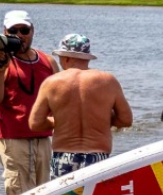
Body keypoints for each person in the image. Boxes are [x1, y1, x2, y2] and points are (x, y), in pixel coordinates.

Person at [0, 10, 59, 195]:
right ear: (5, 32)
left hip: (43, 139)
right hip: (13, 139)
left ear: (32, 31)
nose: (19, 35)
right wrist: (0, 71)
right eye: (13, 31)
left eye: (24, 30)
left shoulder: (48, 61)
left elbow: (59, 101)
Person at [29, 34, 133, 178]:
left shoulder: (51, 83)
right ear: (87, 58)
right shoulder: (108, 81)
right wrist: (102, 119)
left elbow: (35, 123)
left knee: (65, 194)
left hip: (63, 157)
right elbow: (126, 120)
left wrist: (58, 121)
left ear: (66, 58)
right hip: (98, 158)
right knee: (96, 194)